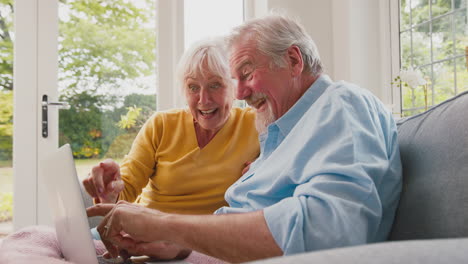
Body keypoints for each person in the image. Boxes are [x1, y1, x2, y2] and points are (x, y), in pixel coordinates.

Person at [87, 14, 402, 263]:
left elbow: (328, 233)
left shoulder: (341, 104)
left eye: (247, 74)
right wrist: (175, 245)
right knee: (50, 240)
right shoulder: (283, 131)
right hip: (197, 252)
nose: (239, 93)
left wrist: (163, 225)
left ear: (294, 61)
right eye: (234, 80)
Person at [82, 38, 259, 230]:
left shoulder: (257, 124)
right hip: (146, 232)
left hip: (207, 240)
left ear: (235, 87)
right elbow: (126, 190)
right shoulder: (162, 124)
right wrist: (110, 190)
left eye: (215, 85)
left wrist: (264, 172)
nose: (203, 99)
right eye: (193, 87)